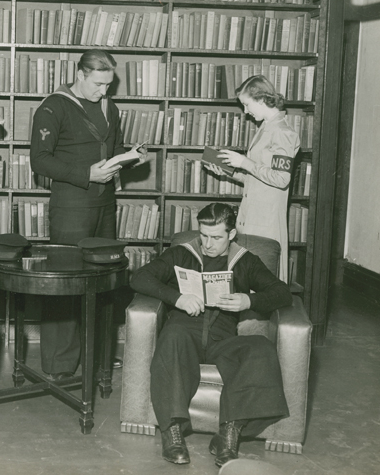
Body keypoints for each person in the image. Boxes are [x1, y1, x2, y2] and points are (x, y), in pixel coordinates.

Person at [130, 203, 291, 468]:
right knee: (171, 337)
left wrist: (247, 301)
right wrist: (177, 298)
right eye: (204, 235)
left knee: (260, 348)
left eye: (216, 237)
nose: (207, 244)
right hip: (184, 334)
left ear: (231, 234)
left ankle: (228, 433)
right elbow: (140, 277)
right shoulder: (181, 253)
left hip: (223, 339)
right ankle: (172, 432)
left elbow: (282, 293)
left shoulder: (246, 261)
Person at [30, 49, 145, 380]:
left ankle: (98, 356)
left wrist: (131, 155)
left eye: (108, 85)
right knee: (65, 287)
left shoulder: (110, 106)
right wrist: (86, 175)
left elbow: (113, 148)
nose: (103, 92)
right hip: (71, 207)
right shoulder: (53, 106)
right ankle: (59, 364)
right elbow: (40, 160)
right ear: (79, 75)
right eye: (97, 84)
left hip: (104, 205)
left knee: (103, 282)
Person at [207, 75, 300, 282]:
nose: (246, 111)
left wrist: (244, 162)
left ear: (260, 99)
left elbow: (281, 179)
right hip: (252, 215)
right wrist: (229, 172)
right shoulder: (265, 128)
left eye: (247, 105)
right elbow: (258, 178)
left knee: (260, 277)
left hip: (265, 219)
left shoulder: (283, 132)